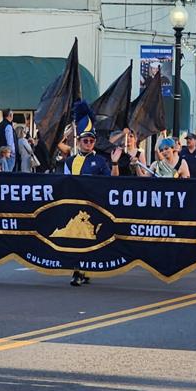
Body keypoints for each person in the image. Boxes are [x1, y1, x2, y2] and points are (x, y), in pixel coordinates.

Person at [62, 102, 116, 286]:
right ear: (79, 142)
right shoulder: (69, 162)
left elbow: (110, 183)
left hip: (94, 205)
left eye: (91, 141)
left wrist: (115, 164)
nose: (88, 143)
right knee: (75, 239)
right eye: (85, 140)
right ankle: (77, 271)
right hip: (75, 206)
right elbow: (64, 183)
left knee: (90, 239)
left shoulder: (100, 161)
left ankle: (83, 269)